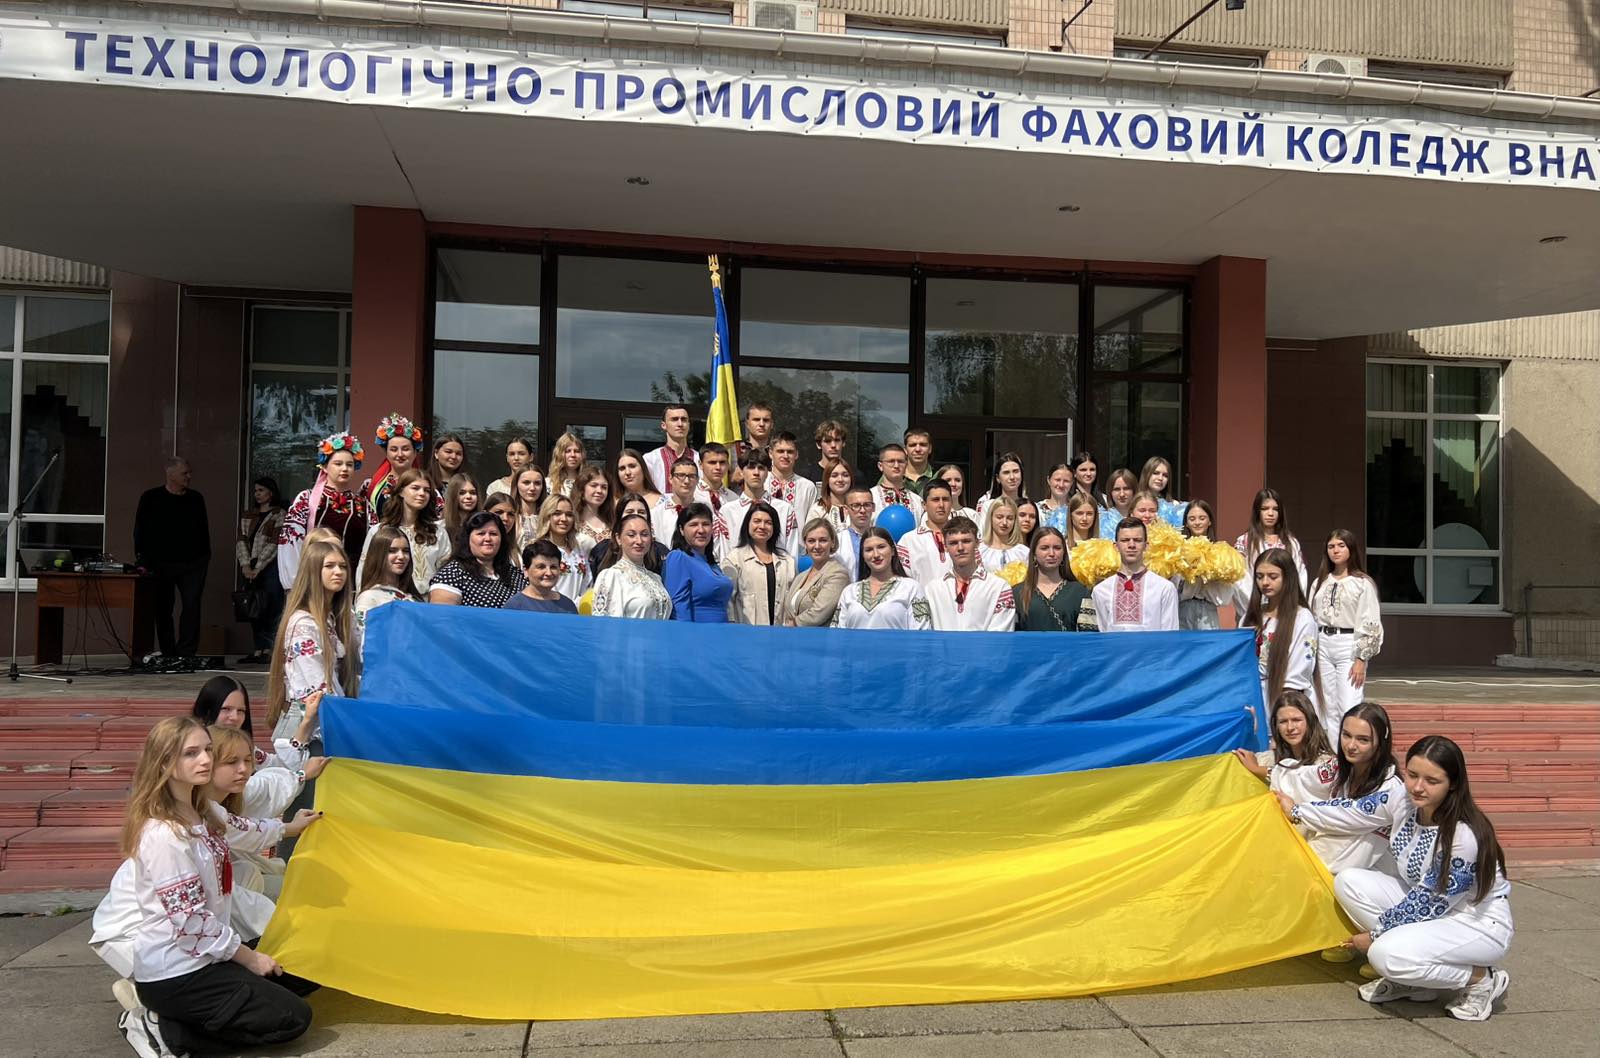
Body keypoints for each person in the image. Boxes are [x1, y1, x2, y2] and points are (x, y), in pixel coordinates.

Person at [95, 717, 320, 1058]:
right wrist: (250, 959)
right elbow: (191, 923)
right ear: (164, 763)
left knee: (307, 968)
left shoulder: (204, 811)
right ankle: (163, 1030)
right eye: (191, 753)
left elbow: (247, 829)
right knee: (292, 1019)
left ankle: (192, 1014)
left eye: (208, 751)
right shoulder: (165, 835)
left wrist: (292, 827)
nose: (204, 760)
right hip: (176, 971)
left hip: (208, 956)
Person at [1282, 735, 1512, 1021]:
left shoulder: (1462, 836)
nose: (1418, 787)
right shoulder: (1402, 799)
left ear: (1453, 783)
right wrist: (1296, 810)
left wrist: (1375, 936)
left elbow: (1430, 903)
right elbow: (1353, 811)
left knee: (1383, 955)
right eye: (1413, 775)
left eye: (1432, 780)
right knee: (1349, 882)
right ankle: (1414, 980)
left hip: (1474, 922)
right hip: (1428, 906)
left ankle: (1481, 979)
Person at [265, 539, 351, 794]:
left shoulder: (327, 617)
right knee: (307, 805)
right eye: (329, 566)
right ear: (313, 571)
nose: (338, 572)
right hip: (308, 729)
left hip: (323, 724)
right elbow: (317, 689)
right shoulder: (303, 623)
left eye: (343, 566)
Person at [1311, 530, 1386, 746]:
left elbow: (1370, 620)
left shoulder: (1362, 583)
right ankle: (1334, 753)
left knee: (1349, 703)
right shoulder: (1320, 582)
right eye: (1331, 546)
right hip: (1322, 642)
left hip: (1348, 644)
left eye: (1341, 545)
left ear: (1351, 548)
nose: (1335, 550)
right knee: (1327, 706)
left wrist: (1361, 658)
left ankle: (1353, 751)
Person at [135, 457, 211, 668]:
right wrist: (142, 560)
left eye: (189, 472)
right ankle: (168, 652)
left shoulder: (196, 498)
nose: (189, 476)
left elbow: (203, 530)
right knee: (163, 608)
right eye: (184, 473)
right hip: (161, 564)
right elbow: (140, 530)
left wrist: (204, 557)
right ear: (170, 474)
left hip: (193, 563)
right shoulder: (151, 497)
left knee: (192, 606)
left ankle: (186, 652)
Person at [1242, 547, 1318, 733]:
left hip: (1285, 702)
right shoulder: (1250, 617)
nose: (1265, 582)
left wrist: (1282, 716)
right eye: (1259, 576)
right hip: (1252, 700)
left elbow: (1297, 673)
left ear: (1288, 577)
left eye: (1273, 576)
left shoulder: (1302, 618)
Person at [278, 433, 367, 589]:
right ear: (325, 466)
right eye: (338, 463)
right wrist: (295, 584)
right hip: (312, 582)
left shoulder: (363, 505)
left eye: (350, 464)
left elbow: (370, 547)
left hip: (350, 584)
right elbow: (291, 542)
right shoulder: (306, 499)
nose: (344, 468)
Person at [360, 468, 449, 597]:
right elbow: (365, 570)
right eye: (415, 488)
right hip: (387, 600)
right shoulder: (380, 531)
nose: (422, 493)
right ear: (401, 491)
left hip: (428, 602)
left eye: (426, 490)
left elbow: (446, 573)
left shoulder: (438, 532)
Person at [926, 515, 1015, 632]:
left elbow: (1000, 637)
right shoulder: (932, 590)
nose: (960, 548)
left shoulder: (999, 587)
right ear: (945, 547)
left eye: (966, 541)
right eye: (953, 543)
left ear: (977, 543)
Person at [832, 527, 931, 630]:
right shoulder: (849, 592)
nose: (876, 554)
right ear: (863, 556)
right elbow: (837, 633)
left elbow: (922, 632)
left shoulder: (911, 588)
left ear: (892, 551)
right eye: (869, 550)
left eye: (881, 547)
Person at [1092, 518, 1179, 632]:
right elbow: (1102, 632)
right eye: (1125, 540)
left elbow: (1170, 633)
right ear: (1116, 546)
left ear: (1146, 546)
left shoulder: (1164, 588)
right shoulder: (1100, 590)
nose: (1131, 545)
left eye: (1137, 540)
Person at [428, 510, 526, 608]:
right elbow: (442, 615)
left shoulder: (515, 574)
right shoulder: (452, 574)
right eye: (481, 533)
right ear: (468, 538)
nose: (488, 539)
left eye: (493, 534)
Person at [234, 476, 285, 665]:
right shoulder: (249, 515)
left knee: (271, 606)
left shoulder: (279, 514)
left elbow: (275, 542)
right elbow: (241, 540)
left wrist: (259, 566)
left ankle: (269, 650)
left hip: (270, 567)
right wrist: (245, 565)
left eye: (261, 490)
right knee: (253, 607)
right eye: (256, 491)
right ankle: (257, 649)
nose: (257, 494)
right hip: (250, 566)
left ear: (271, 493)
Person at [724, 502, 796, 626]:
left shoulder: (787, 561)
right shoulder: (734, 559)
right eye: (757, 521)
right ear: (747, 524)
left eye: (768, 523)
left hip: (781, 632)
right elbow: (727, 600)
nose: (762, 526)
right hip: (747, 633)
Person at [592, 513, 673, 619]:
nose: (639, 541)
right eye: (631, 535)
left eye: (644, 534)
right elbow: (602, 621)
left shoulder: (656, 578)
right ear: (618, 538)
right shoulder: (611, 576)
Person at [1014, 526, 1096, 632]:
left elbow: (1089, 636)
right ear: (1034, 553)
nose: (1051, 553)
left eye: (1057, 548)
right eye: (1044, 548)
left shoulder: (1080, 592)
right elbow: (1010, 635)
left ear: (1064, 553)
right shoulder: (1017, 593)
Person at [1234, 487, 1308, 605]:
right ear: (1257, 512)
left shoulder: (1291, 542)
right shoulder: (1244, 541)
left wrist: (1290, 604)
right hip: (1254, 606)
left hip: (1286, 607)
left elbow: (1300, 575)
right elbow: (1240, 578)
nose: (1270, 513)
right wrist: (1258, 605)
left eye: (1275, 509)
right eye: (1265, 509)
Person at [664, 503, 734, 622]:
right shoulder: (679, 557)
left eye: (706, 524)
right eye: (693, 524)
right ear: (681, 530)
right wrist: (685, 632)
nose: (701, 530)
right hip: (697, 630)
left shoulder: (713, 565)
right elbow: (678, 607)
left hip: (722, 629)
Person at [353, 526, 413, 664]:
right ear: (378, 555)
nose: (401, 556)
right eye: (392, 551)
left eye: (405, 551)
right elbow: (364, 644)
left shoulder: (412, 596)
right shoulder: (369, 598)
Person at [725, 446, 799, 559]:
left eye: (761, 468)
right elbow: (724, 554)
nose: (756, 473)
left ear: (767, 472)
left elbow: (792, 552)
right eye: (751, 467)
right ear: (741, 472)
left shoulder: (784, 509)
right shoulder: (728, 511)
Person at [786, 518, 850, 627]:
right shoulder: (801, 576)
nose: (817, 546)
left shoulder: (838, 574)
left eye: (823, 540)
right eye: (811, 541)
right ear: (805, 544)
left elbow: (818, 614)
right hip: (794, 635)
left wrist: (792, 624)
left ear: (832, 542)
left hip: (820, 636)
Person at [361, 413, 425, 521]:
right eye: (394, 449)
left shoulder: (425, 486)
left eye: (405, 449)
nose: (400, 454)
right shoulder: (371, 486)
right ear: (386, 453)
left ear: (415, 452)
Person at [1177, 498, 1226, 631]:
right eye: (1192, 519)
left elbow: (1225, 592)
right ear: (1186, 523)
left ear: (1209, 521)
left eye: (1202, 518)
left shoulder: (1219, 550)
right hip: (1182, 608)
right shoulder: (1178, 550)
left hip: (1207, 609)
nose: (1197, 522)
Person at [588, 493, 668, 573]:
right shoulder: (602, 550)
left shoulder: (660, 552)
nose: (636, 515)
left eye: (641, 512)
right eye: (630, 512)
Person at [537, 494, 593, 602]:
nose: (564, 519)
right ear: (547, 516)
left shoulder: (579, 550)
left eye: (569, 514)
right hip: (550, 608)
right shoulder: (539, 549)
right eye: (557, 513)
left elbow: (587, 583)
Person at [899, 479, 955, 586]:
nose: (941, 505)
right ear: (924, 504)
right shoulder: (909, 540)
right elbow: (902, 581)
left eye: (945, 499)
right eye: (935, 500)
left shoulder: (963, 537)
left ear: (951, 503)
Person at [505, 540, 580, 614]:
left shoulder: (568, 605)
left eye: (553, 567)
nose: (549, 573)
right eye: (541, 567)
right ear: (526, 571)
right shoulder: (514, 607)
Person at [652, 459, 705, 557]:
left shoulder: (705, 512)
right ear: (670, 478)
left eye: (691, 476)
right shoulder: (656, 514)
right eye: (680, 475)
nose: (686, 481)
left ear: (698, 480)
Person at [643, 404, 699, 494]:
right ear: (663, 425)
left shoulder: (699, 459)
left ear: (689, 425)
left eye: (684, 419)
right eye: (674, 419)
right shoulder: (650, 459)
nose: (680, 424)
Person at [766, 431, 818, 522]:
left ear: (796, 454)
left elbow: (812, 524)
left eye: (790, 452)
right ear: (770, 453)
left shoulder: (807, 487)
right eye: (780, 451)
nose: (785, 456)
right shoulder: (761, 483)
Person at [870, 443, 924, 519]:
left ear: (906, 465)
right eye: (891, 461)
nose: (896, 466)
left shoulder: (917, 501)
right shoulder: (871, 498)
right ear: (880, 466)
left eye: (900, 461)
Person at [572, 464, 615, 554]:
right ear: (582, 489)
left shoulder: (613, 522)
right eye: (594, 485)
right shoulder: (572, 521)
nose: (599, 491)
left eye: (604, 487)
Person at [978, 496, 1028, 573]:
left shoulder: (1023, 552)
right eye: (999, 517)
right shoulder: (980, 551)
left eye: (1010, 518)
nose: (1004, 522)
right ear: (991, 518)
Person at [836, 485, 876, 582]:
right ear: (846, 510)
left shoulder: (883, 539)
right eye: (856, 506)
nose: (862, 510)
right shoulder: (837, 542)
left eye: (867, 505)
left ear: (873, 507)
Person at [975, 451, 1026, 522]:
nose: (1012, 477)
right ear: (998, 478)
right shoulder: (988, 506)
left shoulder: (1028, 507)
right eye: (1006, 473)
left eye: (1016, 471)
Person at [1137, 456, 1186, 527]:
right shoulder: (1133, 502)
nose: (1160, 478)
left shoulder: (1175, 506)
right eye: (1156, 473)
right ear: (1146, 474)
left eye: (1165, 475)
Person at [802, 419, 851, 485]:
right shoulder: (807, 477)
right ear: (819, 444)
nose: (833, 445)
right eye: (828, 441)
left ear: (843, 442)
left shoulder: (854, 475)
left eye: (837, 440)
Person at [511, 466, 547, 550]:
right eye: (526, 483)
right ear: (516, 485)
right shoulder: (509, 516)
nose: (532, 488)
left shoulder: (549, 517)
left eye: (537, 483)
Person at [811, 459, 855, 530]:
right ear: (827, 480)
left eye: (845, 475)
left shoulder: (859, 508)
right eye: (834, 476)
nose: (840, 479)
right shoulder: (818, 510)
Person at [696, 443, 737, 516]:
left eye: (722, 462)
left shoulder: (734, 498)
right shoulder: (691, 495)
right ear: (700, 464)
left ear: (728, 464)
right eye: (712, 462)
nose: (718, 467)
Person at [441, 471, 481, 543]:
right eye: (462, 493)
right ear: (453, 496)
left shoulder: (484, 525)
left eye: (473, 493)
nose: (468, 496)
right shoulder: (441, 528)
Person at [1097, 467, 1138, 540]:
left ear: (1134, 491)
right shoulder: (1101, 520)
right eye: (1117, 489)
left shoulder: (1143, 517)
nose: (1122, 494)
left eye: (1126, 488)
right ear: (1110, 493)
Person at [547, 432, 586, 501]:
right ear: (559, 454)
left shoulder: (589, 483)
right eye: (568, 451)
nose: (573, 455)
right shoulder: (548, 484)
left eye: (577, 451)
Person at [427, 433, 467, 497]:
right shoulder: (425, 481)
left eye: (458, 453)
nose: (454, 456)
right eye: (448, 452)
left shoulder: (467, 483)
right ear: (436, 453)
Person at [902, 427, 935, 496]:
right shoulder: (893, 476)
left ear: (930, 449)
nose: (918, 449)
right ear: (905, 450)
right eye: (912, 445)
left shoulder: (938, 476)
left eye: (923, 445)